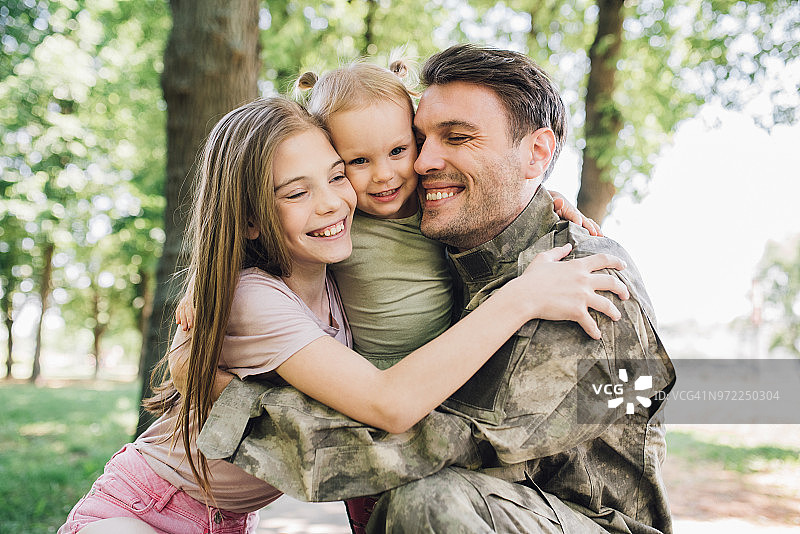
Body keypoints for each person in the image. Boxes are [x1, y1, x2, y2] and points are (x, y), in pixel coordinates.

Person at [59, 92, 627, 533]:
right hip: (145, 506)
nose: (331, 201)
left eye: (336, 175)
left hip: (226, 519)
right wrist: (524, 295)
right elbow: (389, 403)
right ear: (252, 219)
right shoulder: (252, 297)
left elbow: (388, 146)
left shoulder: (340, 260)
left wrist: (533, 199)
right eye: (295, 192)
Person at [196, 45, 676, 534]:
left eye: (458, 138)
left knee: (429, 500)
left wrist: (227, 399)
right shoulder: (438, 238)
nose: (421, 163)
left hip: (592, 520)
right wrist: (214, 307)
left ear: (536, 153)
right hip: (482, 503)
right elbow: (279, 229)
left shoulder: (578, 276)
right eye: (419, 139)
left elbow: (429, 440)